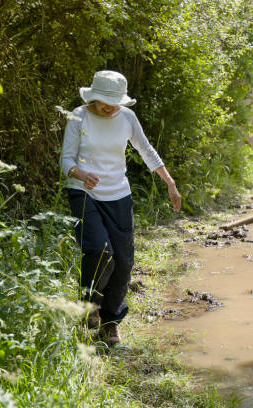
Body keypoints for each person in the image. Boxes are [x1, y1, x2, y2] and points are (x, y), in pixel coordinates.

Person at [61, 70, 181, 345]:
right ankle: (88, 304)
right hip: (84, 193)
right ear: (93, 97)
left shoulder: (127, 117)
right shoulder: (79, 116)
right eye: (105, 101)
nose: (111, 106)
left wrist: (170, 183)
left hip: (119, 196)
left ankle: (110, 322)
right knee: (99, 250)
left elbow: (146, 149)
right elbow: (66, 160)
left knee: (124, 262)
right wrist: (80, 174)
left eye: (116, 101)